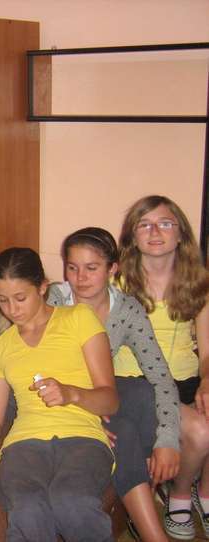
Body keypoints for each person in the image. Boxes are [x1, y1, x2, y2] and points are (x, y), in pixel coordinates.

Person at [0, 247, 118, 542]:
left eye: (20, 298)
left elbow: (110, 400)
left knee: (71, 499)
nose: (12, 309)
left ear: (43, 287)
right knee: (27, 508)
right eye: (3, 300)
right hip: (24, 444)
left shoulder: (79, 318)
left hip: (82, 438)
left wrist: (72, 394)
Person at [49, 227, 179, 542]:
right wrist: (87, 417)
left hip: (99, 389)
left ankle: (141, 485)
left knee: (142, 391)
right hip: (58, 392)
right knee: (125, 431)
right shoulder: (54, 300)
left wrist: (168, 440)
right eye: (72, 267)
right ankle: (153, 532)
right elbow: (33, 365)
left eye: (91, 268)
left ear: (112, 269)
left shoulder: (126, 309)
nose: (80, 278)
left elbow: (160, 375)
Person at [114, 195, 209, 540]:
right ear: (133, 236)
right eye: (145, 225)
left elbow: (206, 351)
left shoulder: (198, 283)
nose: (155, 232)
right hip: (136, 382)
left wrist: (207, 381)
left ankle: (199, 492)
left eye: (165, 223)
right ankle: (179, 495)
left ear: (180, 233)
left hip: (185, 380)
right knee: (199, 431)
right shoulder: (117, 284)